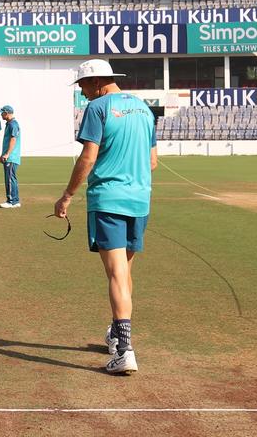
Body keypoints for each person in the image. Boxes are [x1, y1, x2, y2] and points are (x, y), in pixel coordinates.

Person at [54, 59, 156, 376]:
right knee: (123, 272)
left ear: (97, 82)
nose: (83, 94)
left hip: (109, 201)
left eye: (84, 86)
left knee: (114, 274)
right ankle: (115, 334)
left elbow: (88, 156)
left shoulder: (98, 109)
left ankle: (125, 350)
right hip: (140, 200)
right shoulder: (144, 109)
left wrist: (67, 195)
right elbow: (152, 162)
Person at [0, 105, 21, 208]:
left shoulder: (13, 124)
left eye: (2, 113)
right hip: (10, 156)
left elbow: (13, 139)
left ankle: (11, 201)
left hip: (11, 157)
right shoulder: (10, 124)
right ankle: (15, 201)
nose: (1, 114)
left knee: (10, 178)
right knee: (11, 178)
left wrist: (7, 154)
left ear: (7, 113)